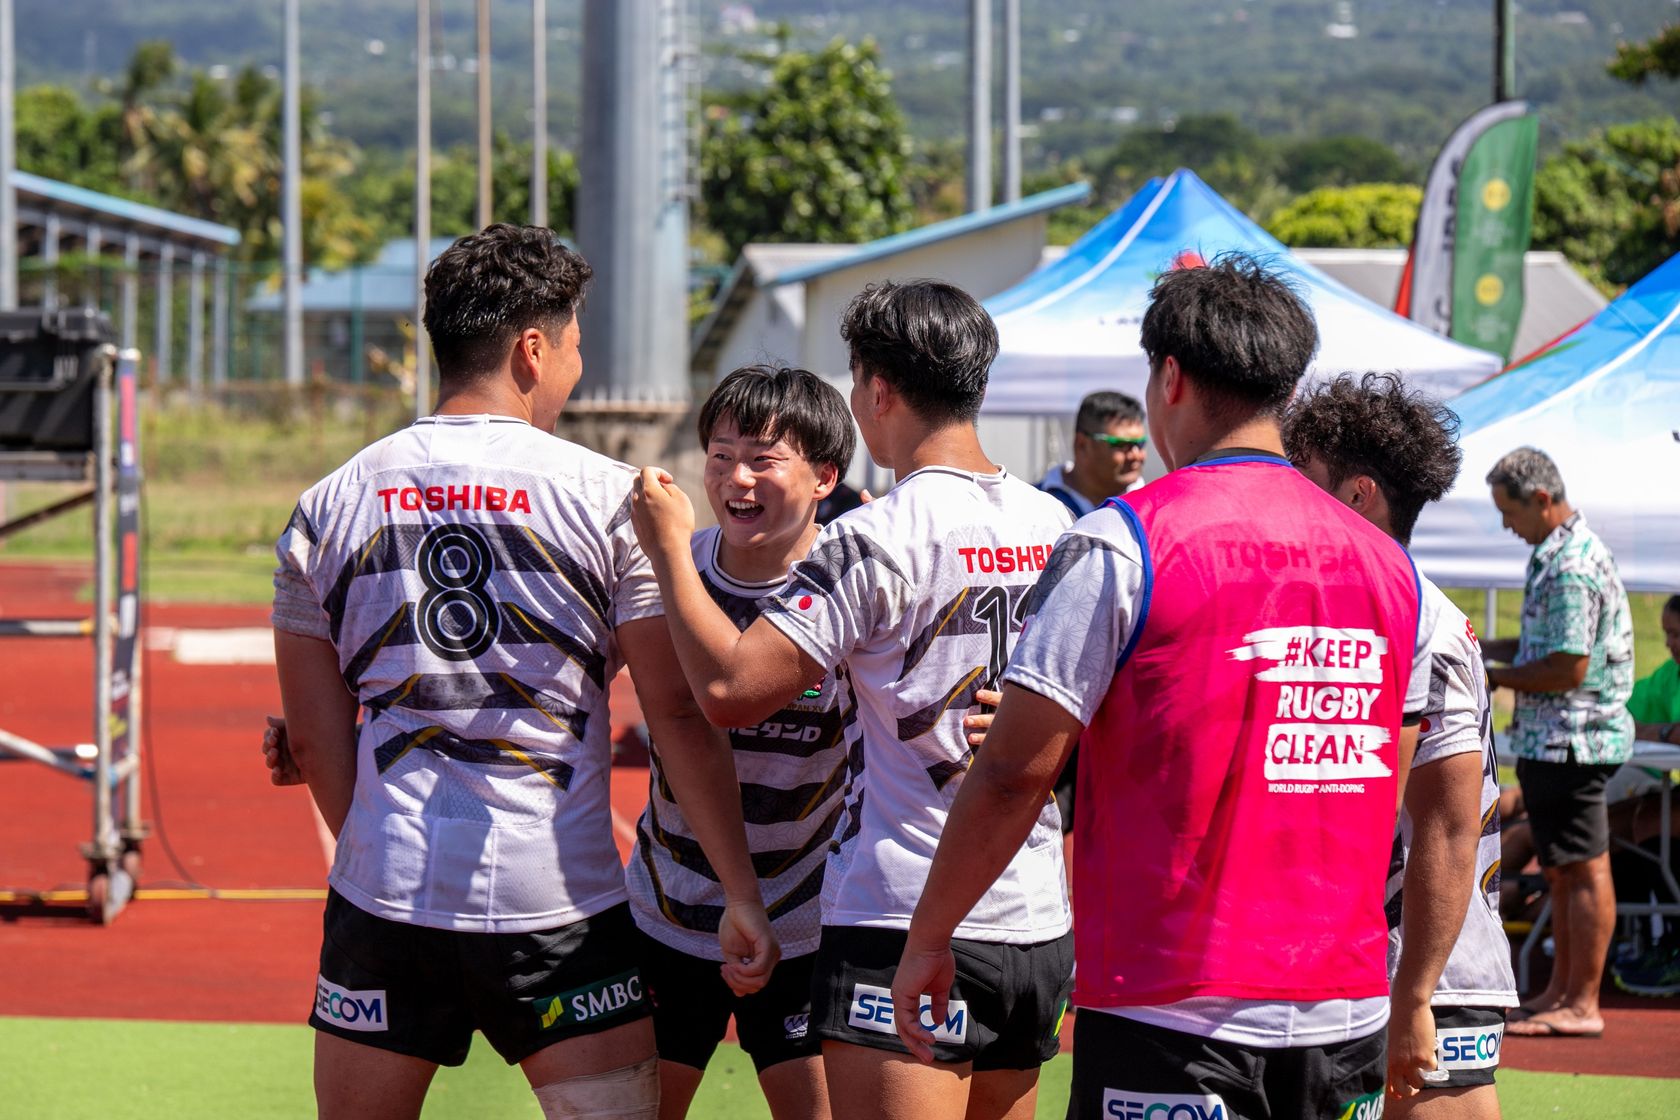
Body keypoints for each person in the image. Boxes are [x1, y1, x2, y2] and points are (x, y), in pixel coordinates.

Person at [890, 254, 1430, 1120]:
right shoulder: (1390, 567)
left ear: (1168, 377)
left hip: (1173, 999)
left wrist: (927, 936)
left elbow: (1013, 773)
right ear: (1287, 388)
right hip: (1346, 1001)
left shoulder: (1120, 541)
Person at [270, 224, 774, 1120]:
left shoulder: (326, 503)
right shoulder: (611, 499)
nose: (576, 370)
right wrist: (741, 893)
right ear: (532, 350)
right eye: (575, 347)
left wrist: (376, 849)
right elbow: (679, 718)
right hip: (559, 908)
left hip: (384, 898)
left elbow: (312, 735)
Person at [628, 279, 1075, 1120]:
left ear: (875, 390)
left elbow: (727, 692)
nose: (738, 476)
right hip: (1033, 913)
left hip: (900, 908)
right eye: (723, 456)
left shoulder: (879, 534)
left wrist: (663, 549)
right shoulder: (1058, 524)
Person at [1285, 373, 1518, 1118]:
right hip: (1369, 967)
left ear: (1356, 495)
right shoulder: (1370, 605)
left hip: (1427, 975)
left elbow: (1450, 824)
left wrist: (1415, 991)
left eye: (1303, 477)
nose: (1285, 496)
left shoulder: (1419, 619)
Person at [625, 364, 853, 1120]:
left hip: (807, 913)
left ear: (825, 475)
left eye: (763, 458)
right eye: (720, 457)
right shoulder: (669, 568)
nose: (736, 478)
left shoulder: (858, 578)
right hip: (668, 905)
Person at [1481, 447, 1634, 1039]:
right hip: (1556, 742)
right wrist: (1489, 647)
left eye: (1508, 513)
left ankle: (1582, 1003)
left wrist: (1496, 676)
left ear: (1541, 500)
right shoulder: (1561, 553)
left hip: (1575, 742)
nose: (1505, 526)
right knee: (1566, 872)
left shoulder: (1570, 563)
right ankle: (1561, 994)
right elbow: (1551, 643)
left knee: (1584, 868)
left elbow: (1568, 666)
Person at [1037, 389, 1148, 518]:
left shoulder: (1152, 509)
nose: (1136, 455)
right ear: (1082, 444)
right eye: (1121, 445)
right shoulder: (1034, 505)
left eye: (1140, 444)